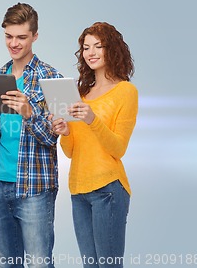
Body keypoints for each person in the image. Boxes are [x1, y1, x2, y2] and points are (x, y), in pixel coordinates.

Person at [0, 3, 62, 268]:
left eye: (21, 37)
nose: (14, 43)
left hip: (35, 188)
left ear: (35, 36)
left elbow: (52, 138)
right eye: (9, 36)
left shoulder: (51, 78)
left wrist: (29, 112)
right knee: (6, 263)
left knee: (39, 264)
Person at [51, 22, 137, 268]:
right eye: (86, 47)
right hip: (79, 191)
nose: (91, 52)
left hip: (108, 190)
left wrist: (91, 119)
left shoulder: (126, 91)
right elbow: (71, 151)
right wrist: (65, 132)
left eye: (98, 46)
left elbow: (118, 148)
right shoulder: (80, 93)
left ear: (113, 49)